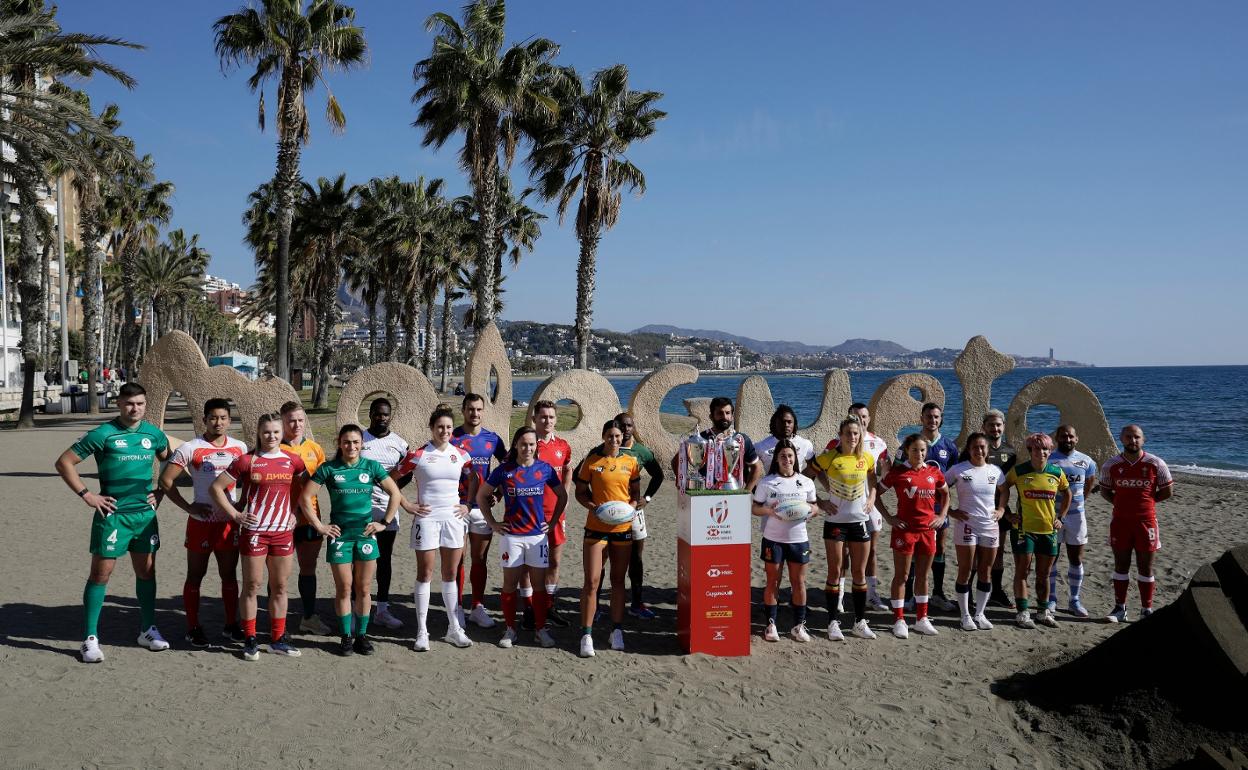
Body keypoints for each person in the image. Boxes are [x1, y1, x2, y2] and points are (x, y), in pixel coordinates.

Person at [55, 382, 171, 663]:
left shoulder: (154, 435)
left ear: (146, 405)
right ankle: (90, 638)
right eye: (130, 403)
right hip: (113, 516)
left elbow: (171, 462)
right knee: (101, 574)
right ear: (119, 403)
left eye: (140, 403)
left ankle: (147, 630)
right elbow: (64, 462)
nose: (135, 408)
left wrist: (161, 491)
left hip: (144, 516)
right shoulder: (103, 434)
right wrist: (87, 495)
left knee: (146, 573)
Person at [299, 424, 403, 656]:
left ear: (361, 444)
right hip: (340, 537)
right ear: (339, 443)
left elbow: (395, 493)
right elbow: (305, 497)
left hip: (365, 535)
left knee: (364, 588)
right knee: (344, 588)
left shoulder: (372, 466)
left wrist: (383, 523)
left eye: (356, 442)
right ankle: (346, 637)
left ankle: (362, 636)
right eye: (347, 442)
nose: (351, 446)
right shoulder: (329, 468)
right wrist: (319, 525)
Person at [210, 414, 305, 660]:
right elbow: (216, 488)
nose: (271, 437)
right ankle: (250, 638)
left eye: (275, 432)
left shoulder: (293, 461)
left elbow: (300, 488)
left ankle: (277, 639)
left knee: (281, 586)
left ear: (282, 433)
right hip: (254, 532)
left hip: (283, 532)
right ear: (259, 433)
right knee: (252, 586)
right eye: (266, 432)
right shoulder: (246, 461)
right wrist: (236, 515)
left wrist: (294, 512)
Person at [159, 398, 248, 647]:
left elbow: (251, 479)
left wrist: (240, 505)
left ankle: (231, 625)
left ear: (230, 420)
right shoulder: (191, 448)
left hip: (228, 523)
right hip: (200, 522)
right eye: (212, 418)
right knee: (195, 575)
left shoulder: (240, 447)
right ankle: (193, 627)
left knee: (229, 575)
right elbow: (165, 481)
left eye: (222, 418)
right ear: (204, 420)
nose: (218, 422)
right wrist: (188, 507)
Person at [391, 404, 475, 651]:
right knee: (425, 574)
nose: (445, 431)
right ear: (431, 428)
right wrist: (406, 503)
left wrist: (467, 505)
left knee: (450, 575)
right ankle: (422, 631)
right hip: (426, 519)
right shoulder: (418, 454)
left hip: (453, 519)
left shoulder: (461, 454)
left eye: (449, 427)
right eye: (440, 427)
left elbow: (474, 478)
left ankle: (453, 628)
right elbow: (390, 478)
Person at [479, 426, 567, 649]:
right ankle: (510, 629)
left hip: (537, 536)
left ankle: (540, 630)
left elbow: (562, 495)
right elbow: (482, 496)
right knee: (509, 586)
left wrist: (554, 520)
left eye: (531, 444)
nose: (527, 448)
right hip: (512, 537)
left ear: (536, 446)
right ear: (516, 445)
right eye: (523, 444)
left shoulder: (544, 469)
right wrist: (492, 523)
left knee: (539, 587)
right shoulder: (504, 470)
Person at [581, 411, 666, 621]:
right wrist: (598, 506)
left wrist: (646, 498)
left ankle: (636, 603)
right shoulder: (598, 452)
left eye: (629, 426)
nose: (626, 429)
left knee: (635, 558)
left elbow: (658, 475)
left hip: (632, 513)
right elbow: (579, 478)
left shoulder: (640, 451)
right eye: (622, 426)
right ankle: (598, 606)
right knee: (602, 560)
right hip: (604, 517)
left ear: (633, 428)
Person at [808, 417, 878, 641]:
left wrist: (872, 499)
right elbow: (807, 477)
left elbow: (873, 480)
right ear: (841, 434)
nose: (852, 437)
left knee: (859, 572)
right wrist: (820, 501)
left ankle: (859, 622)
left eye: (856, 433)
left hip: (859, 522)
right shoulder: (830, 457)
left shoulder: (865, 457)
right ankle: (832, 623)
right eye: (848, 433)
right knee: (835, 572)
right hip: (836, 523)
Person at [577, 420, 642, 657]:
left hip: (622, 528)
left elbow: (635, 493)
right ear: (603, 437)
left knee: (617, 580)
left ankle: (616, 631)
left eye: (617, 436)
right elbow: (580, 492)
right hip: (596, 527)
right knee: (592, 581)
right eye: (610, 436)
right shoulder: (592, 461)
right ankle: (586, 634)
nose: (614, 440)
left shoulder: (631, 462)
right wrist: (593, 507)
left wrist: (633, 506)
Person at [876, 434, 949, 639]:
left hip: (927, 531)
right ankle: (899, 620)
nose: (919, 454)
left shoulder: (934, 472)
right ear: (907, 450)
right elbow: (875, 494)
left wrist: (941, 516)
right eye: (915, 450)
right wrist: (889, 518)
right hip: (905, 531)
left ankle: (921, 619)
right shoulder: (898, 473)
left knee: (924, 576)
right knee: (903, 576)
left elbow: (945, 493)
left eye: (923, 450)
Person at [1100, 424, 1173, 623]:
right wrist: (1121, 504)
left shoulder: (1156, 463)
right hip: (1120, 522)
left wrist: (1147, 504)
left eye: (1137, 437)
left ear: (1143, 440)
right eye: (1129, 437)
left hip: (1147, 523)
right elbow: (1105, 490)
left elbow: (1167, 491)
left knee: (1145, 568)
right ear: (1121, 439)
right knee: (1121, 566)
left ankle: (1146, 609)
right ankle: (1119, 609)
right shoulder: (1111, 465)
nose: (1133, 440)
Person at [999, 433, 1070, 629]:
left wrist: (1061, 518)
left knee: (1044, 574)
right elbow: (1001, 489)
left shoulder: (1056, 473)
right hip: (1023, 529)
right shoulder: (1019, 471)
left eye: (1045, 449)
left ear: (1050, 451)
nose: (1041, 452)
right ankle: (1022, 613)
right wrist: (1007, 514)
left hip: (1048, 530)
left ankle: (1042, 612)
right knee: (1023, 571)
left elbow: (1068, 493)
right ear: (1030, 451)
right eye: (1037, 449)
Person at [826, 403, 893, 612]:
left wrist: (876, 493)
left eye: (864, 416)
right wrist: (829, 488)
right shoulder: (837, 443)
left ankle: (872, 595)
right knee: (843, 551)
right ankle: (841, 597)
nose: (860, 420)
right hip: (845, 505)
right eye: (856, 416)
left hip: (869, 506)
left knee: (871, 551)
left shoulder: (878, 443)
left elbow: (887, 471)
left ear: (869, 419)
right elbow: (822, 467)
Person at [894, 402, 959, 612]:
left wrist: (943, 508)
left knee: (939, 548)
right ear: (921, 418)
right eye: (929, 416)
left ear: (941, 419)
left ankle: (938, 593)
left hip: (938, 510)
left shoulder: (949, 446)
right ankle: (911, 596)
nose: (932, 420)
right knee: (912, 552)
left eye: (936, 417)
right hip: (914, 509)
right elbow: (897, 471)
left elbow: (953, 476)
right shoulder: (912, 444)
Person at [452, 393, 508, 629]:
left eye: (478, 409)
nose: (474, 414)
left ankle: (477, 606)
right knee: (457, 559)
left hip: (482, 509)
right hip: (456, 507)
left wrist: (499, 494)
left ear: (483, 411)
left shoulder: (492, 439)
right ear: (463, 410)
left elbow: (508, 469)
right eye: (470, 409)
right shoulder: (452, 437)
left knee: (480, 559)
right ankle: (456, 608)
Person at [752, 440, 817, 642]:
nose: (787, 459)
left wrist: (809, 512)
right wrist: (771, 511)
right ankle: (771, 625)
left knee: (799, 582)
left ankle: (799, 626)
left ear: (795, 458)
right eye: (783, 456)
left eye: (790, 456)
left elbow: (815, 507)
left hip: (799, 539)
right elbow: (755, 508)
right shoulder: (767, 482)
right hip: (774, 539)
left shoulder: (806, 482)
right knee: (773, 581)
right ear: (777, 459)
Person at [943, 433, 1006, 631]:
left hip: (989, 525)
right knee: (966, 570)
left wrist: (1002, 509)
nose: (979, 451)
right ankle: (965, 615)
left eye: (982, 447)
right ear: (969, 449)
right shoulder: (958, 470)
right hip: (966, 525)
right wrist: (951, 511)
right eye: (975, 447)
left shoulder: (995, 471)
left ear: (987, 450)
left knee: (985, 571)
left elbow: (1005, 491)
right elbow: (940, 489)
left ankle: (980, 613)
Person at [279, 401, 330, 635]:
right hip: (281, 520)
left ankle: (308, 617)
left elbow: (322, 483)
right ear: (283, 421)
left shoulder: (315, 449)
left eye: (300, 420)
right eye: (291, 420)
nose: (296, 424)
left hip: (310, 518)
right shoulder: (274, 447)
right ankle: (276, 623)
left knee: (308, 568)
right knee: (280, 575)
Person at [360, 397, 410, 631]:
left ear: (391, 416)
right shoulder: (359, 438)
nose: (381, 418)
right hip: (360, 511)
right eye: (377, 414)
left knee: (384, 560)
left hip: (388, 509)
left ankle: (382, 610)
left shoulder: (400, 443)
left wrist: (394, 488)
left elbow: (408, 471)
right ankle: (358, 608)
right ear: (370, 414)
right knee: (359, 560)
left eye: (385, 414)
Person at [963, 409, 1019, 609]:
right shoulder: (975, 448)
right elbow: (961, 475)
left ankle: (996, 592)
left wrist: (1008, 510)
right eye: (991, 425)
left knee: (998, 552)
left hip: (999, 509)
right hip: (975, 510)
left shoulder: (1011, 451)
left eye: (998, 425)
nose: (995, 428)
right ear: (984, 427)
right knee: (975, 554)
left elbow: (1014, 483)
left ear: (1003, 427)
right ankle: (967, 592)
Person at [1048, 425, 1099, 617]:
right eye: (1063, 436)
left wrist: (1080, 500)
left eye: (1070, 436)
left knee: (1076, 558)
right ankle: (1051, 599)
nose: (1067, 439)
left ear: (1076, 439)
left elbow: (1089, 482)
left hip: (1077, 516)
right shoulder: (1049, 459)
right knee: (1051, 557)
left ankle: (1074, 601)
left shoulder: (1087, 461)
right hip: (1052, 516)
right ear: (1057, 438)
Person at [532, 400, 572, 628]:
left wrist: (564, 497)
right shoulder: (528, 444)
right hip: (532, 515)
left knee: (554, 562)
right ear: (535, 419)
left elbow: (568, 469)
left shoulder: (563, 445)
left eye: (551, 417)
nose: (547, 421)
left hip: (556, 515)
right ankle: (530, 608)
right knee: (531, 564)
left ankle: (549, 606)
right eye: (543, 417)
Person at [669, 397, 763, 492]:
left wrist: (747, 492)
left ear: (732, 416)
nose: (724, 417)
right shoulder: (701, 439)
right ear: (711, 416)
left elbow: (756, 467)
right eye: (720, 413)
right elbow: (676, 460)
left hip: (733, 493)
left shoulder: (742, 440)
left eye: (727, 413)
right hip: (705, 493)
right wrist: (682, 481)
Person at [755, 405, 815, 472]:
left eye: (789, 422)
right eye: (782, 422)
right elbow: (750, 467)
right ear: (774, 423)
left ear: (794, 424)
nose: (786, 425)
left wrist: (803, 481)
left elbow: (813, 468)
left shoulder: (805, 444)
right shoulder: (761, 446)